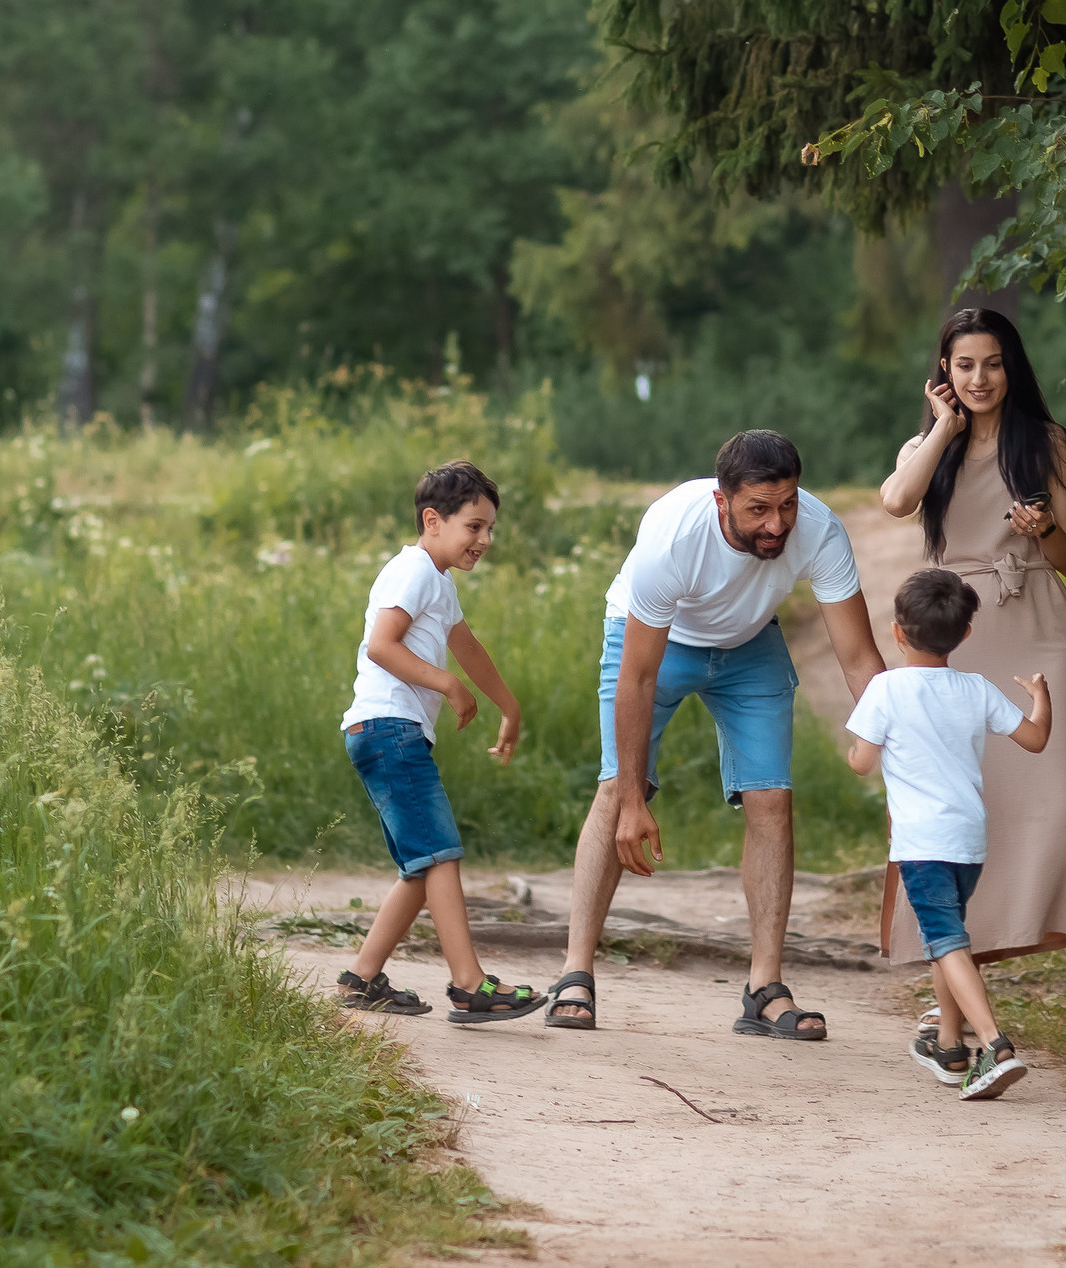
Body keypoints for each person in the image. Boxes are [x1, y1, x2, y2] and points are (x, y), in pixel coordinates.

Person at [546, 429, 887, 1038]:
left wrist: (904, 755)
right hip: (657, 644)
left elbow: (859, 659)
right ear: (721, 500)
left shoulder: (819, 528)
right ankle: (575, 972)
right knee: (616, 791)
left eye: (786, 504)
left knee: (771, 798)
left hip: (750, 644)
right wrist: (631, 797)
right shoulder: (673, 534)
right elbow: (640, 677)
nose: (777, 525)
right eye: (759, 509)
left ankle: (765, 987)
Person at [874, 308, 1066, 1034]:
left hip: (1036, 624)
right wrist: (942, 428)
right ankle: (956, 999)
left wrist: (1046, 531)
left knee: (1060, 790)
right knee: (965, 805)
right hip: (958, 633)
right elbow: (896, 500)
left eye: (992, 363)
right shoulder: (928, 446)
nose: (979, 378)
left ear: (1012, 367)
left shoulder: (1048, 443)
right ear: (944, 373)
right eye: (964, 365)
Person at [335, 460, 547, 1026]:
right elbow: (383, 645)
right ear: (433, 520)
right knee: (442, 853)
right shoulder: (412, 570)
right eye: (474, 526)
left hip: (388, 732)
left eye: (489, 528)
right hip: (389, 728)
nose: (485, 539)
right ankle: (469, 983)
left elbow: (466, 643)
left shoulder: (439, 581)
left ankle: (361, 979)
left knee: (420, 864)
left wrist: (508, 703)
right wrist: (446, 683)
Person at [845, 568, 1051, 1100]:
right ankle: (948, 1044)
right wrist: (1039, 697)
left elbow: (862, 764)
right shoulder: (976, 689)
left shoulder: (885, 690)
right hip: (968, 840)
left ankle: (995, 1046)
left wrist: (861, 748)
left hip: (921, 842)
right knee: (949, 939)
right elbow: (1035, 739)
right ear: (964, 634)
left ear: (896, 632)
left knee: (946, 943)